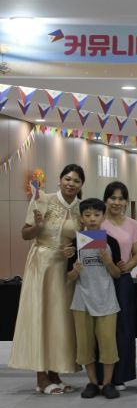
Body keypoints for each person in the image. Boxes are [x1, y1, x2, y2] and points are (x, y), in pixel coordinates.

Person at [10, 164, 85, 395]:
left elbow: (83, 239)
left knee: (60, 321)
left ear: (81, 185)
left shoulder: (81, 208)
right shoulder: (43, 199)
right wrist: (38, 226)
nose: (71, 184)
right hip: (42, 266)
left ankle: (55, 374)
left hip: (66, 269)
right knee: (41, 317)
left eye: (76, 180)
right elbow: (25, 234)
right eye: (67, 179)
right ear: (60, 180)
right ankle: (41, 378)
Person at [67, 198, 122, 399]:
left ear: (103, 216)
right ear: (81, 217)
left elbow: (117, 274)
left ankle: (107, 383)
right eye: (87, 215)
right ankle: (91, 382)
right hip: (81, 301)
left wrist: (108, 262)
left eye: (96, 215)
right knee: (85, 345)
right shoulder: (75, 243)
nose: (92, 219)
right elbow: (69, 277)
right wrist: (75, 271)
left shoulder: (111, 242)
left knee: (108, 343)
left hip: (106, 300)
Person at [101, 181, 137, 391]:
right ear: (105, 200)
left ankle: (121, 375)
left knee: (124, 327)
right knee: (103, 327)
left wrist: (129, 266)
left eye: (121, 198)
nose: (116, 202)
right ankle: (102, 375)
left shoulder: (133, 224)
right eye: (112, 198)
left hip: (123, 281)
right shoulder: (98, 222)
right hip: (101, 280)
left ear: (126, 202)